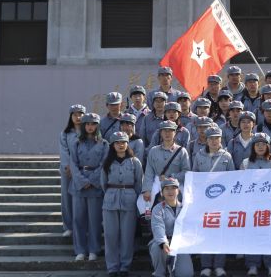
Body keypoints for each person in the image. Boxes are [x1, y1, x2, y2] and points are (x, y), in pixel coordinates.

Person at [192, 126, 234, 277]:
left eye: (217, 138)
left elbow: (232, 178)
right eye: (211, 139)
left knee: (220, 233)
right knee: (205, 232)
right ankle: (206, 266)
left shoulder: (227, 156)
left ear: (221, 139)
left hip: (222, 202)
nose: (214, 141)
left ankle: (219, 266)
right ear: (206, 140)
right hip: (204, 202)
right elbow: (194, 177)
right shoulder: (199, 156)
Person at [101, 131, 143, 277]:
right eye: (117, 142)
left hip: (129, 199)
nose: (121, 145)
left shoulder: (135, 162)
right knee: (110, 236)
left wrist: (135, 200)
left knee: (127, 236)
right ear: (112, 145)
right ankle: (112, 267)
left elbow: (139, 183)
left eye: (124, 142)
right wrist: (111, 194)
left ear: (127, 144)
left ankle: (125, 266)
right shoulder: (107, 162)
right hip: (110, 200)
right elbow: (103, 183)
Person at [240, 132, 271, 276]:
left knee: (270, 235)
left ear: (268, 146)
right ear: (253, 147)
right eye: (257, 144)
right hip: (252, 205)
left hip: (270, 205)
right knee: (252, 235)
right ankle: (252, 264)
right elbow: (241, 184)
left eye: (263, 144)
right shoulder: (245, 163)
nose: (260, 147)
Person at [69, 113, 109, 262]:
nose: (90, 127)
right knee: (78, 219)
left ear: (98, 126)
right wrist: (81, 181)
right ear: (83, 126)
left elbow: (104, 164)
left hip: (95, 185)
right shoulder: (76, 143)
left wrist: (92, 180)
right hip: (78, 185)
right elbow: (73, 163)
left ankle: (94, 249)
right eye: (87, 124)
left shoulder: (104, 144)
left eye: (93, 124)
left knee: (95, 220)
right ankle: (80, 250)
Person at [150, 177, 194, 277]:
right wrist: (163, 242)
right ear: (162, 192)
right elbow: (158, 226)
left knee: (186, 274)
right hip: (163, 243)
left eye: (173, 188)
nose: (170, 191)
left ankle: (173, 269)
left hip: (180, 244)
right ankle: (160, 273)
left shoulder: (185, 208)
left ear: (178, 191)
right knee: (157, 247)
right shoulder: (157, 209)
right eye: (167, 188)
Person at [142, 121, 191, 202]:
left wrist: (172, 176)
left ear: (175, 133)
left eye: (170, 130)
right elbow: (149, 173)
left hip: (176, 191)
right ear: (160, 133)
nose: (167, 133)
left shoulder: (182, 151)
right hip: (157, 190)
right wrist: (147, 190)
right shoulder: (153, 151)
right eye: (164, 130)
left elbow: (186, 172)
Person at [60, 104, 85, 237]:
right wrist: (68, 166)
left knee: (84, 198)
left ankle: (84, 225)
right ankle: (69, 226)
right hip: (68, 170)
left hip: (84, 169)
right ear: (71, 117)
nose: (78, 117)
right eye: (75, 115)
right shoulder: (65, 133)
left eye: (80, 114)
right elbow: (64, 151)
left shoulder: (88, 131)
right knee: (67, 197)